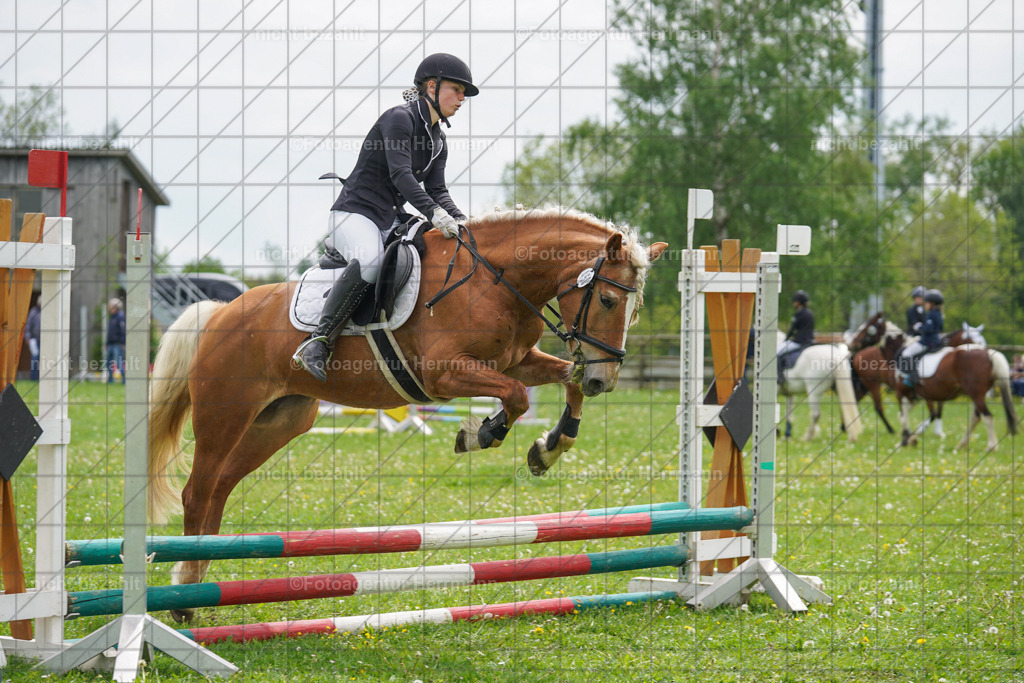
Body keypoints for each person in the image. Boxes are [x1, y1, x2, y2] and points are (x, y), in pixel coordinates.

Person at [292, 53, 478, 382]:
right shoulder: (399, 118)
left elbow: (438, 189)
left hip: (391, 218)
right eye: (457, 89)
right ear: (432, 87)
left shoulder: (439, 140)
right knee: (371, 262)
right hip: (355, 212)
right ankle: (317, 343)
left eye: (464, 92)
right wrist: (434, 214)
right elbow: (401, 176)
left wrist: (464, 222)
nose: (462, 98)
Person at [898, 288, 944, 386]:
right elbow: (940, 327)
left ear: (931, 303)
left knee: (906, 353)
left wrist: (920, 327)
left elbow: (928, 329)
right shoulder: (939, 313)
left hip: (927, 341)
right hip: (935, 339)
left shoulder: (931, 314)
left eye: (926, 302)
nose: (925, 304)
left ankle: (913, 377)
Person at [777, 290, 814, 381]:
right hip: (809, 341)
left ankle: (780, 377)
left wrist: (786, 339)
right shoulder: (810, 313)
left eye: (795, 301)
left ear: (798, 302)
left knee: (777, 352)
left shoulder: (798, 314)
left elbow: (792, 330)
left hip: (799, 341)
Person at [105, 298, 126, 384]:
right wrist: (107, 343)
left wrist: (122, 343)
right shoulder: (112, 317)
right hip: (111, 344)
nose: (109, 308)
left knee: (118, 362)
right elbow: (110, 332)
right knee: (108, 362)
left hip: (118, 344)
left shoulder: (120, 317)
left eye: (110, 306)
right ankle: (110, 379)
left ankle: (124, 379)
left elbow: (123, 331)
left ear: (115, 307)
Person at [24, 298, 40, 381]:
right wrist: (27, 337)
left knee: (46, 360)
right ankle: (34, 378)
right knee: (35, 359)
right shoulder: (33, 312)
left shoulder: (48, 311)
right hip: (35, 340)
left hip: (45, 341)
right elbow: (28, 325)